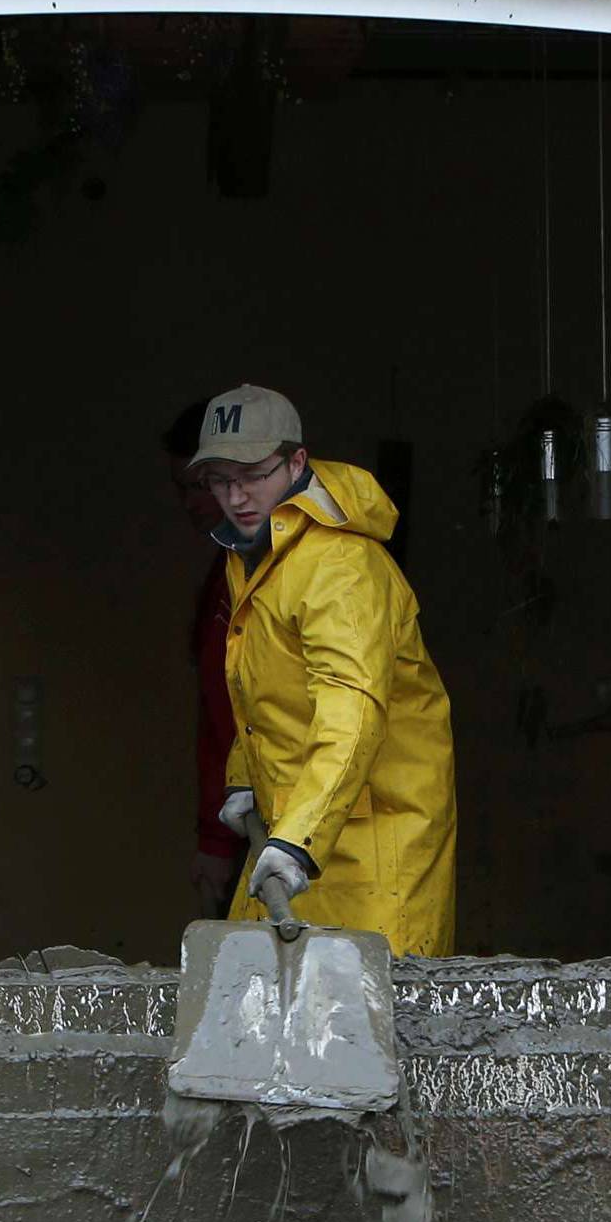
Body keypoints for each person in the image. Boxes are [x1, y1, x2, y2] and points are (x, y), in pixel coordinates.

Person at [194, 384, 456, 958]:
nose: (236, 496)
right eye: (219, 480)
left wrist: (296, 841)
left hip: (374, 846)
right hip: (299, 837)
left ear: (296, 462)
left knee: (371, 1024)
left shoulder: (341, 567)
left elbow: (352, 708)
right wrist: (245, 774)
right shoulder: (260, 550)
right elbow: (266, 683)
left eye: (253, 475)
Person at [162, 401, 242, 918]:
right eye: (182, 489)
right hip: (246, 818)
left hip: (286, 827)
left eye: (201, 485)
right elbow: (219, 719)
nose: (190, 503)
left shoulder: (289, 567)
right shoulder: (228, 570)